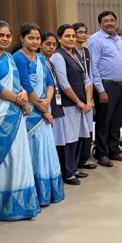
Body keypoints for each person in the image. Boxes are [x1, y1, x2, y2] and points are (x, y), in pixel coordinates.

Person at [0, 21, 40, 220]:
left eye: (7, 36)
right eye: (0, 35)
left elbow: (18, 82)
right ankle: (5, 207)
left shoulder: (9, 57)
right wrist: (20, 100)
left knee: (20, 156)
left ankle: (23, 205)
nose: (4, 39)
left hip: (15, 110)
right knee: (4, 158)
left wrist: (22, 95)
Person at [13, 23, 65, 206]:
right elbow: (25, 85)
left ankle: (48, 193)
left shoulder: (41, 58)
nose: (35, 42)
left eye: (37, 39)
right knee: (35, 151)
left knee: (46, 149)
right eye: (31, 38)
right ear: (22, 38)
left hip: (44, 106)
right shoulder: (18, 58)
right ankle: (37, 195)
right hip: (30, 113)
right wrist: (43, 108)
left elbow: (50, 82)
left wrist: (47, 101)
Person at [50, 24, 93, 185]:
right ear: (59, 39)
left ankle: (74, 168)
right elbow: (63, 83)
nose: (71, 39)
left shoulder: (75, 54)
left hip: (82, 104)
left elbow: (87, 79)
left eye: (73, 36)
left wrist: (88, 101)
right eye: (67, 36)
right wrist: (78, 101)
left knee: (79, 137)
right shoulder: (58, 56)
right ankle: (68, 172)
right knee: (69, 139)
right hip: (69, 104)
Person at [89, 10, 122, 167]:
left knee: (116, 122)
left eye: (112, 20)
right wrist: (100, 90)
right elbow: (93, 66)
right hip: (106, 86)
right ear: (100, 24)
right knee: (104, 122)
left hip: (120, 86)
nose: (109, 23)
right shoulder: (95, 40)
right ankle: (101, 153)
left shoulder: (117, 38)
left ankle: (114, 151)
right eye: (105, 21)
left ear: (116, 22)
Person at [72, 22, 97, 170]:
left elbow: (90, 75)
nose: (83, 35)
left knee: (87, 128)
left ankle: (84, 158)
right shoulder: (70, 52)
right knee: (76, 129)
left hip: (87, 93)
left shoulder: (86, 51)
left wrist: (89, 96)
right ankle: (75, 162)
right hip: (75, 95)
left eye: (85, 32)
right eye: (79, 32)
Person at [40, 32, 67, 164]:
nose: (51, 47)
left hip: (55, 101)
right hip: (44, 103)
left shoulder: (50, 62)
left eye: (54, 44)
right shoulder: (39, 61)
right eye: (48, 44)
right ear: (41, 45)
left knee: (57, 139)